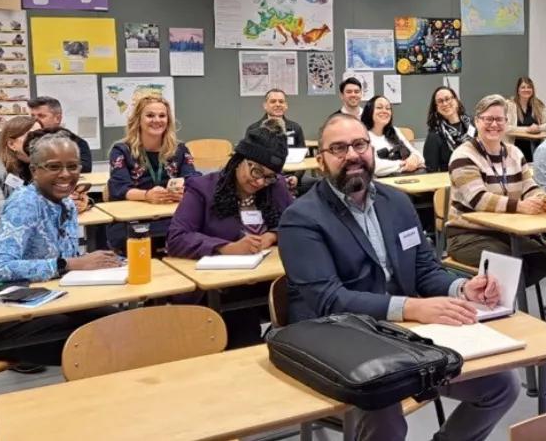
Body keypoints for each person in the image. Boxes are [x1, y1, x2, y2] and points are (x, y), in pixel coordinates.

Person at [279, 113, 519, 441]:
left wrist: (461, 288)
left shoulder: (397, 202)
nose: (351, 155)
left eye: (359, 144)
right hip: (340, 340)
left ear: (371, 149)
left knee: (501, 385)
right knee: (384, 406)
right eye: (338, 148)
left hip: (405, 335)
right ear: (321, 160)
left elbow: (423, 269)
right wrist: (413, 308)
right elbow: (328, 301)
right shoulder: (301, 219)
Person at [0, 132, 123, 365]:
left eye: (73, 166)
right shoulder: (24, 203)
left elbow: (65, 260)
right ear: (34, 171)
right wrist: (68, 264)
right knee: (98, 340)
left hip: (48, 301)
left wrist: (96, 263)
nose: (65, 174)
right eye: (53, 167)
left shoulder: (67, 204)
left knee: (122, 324)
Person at [168, 121, 293, 347]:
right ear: (238, 160)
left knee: (301, 307)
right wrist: (225, 248)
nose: (259, 181)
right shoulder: (202, 188)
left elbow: (295, 224)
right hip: (222, 288)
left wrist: (272, 235)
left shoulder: (276, 186)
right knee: (243, 325)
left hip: (265, 281)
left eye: (268, 177)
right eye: (255, 171)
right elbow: (177, 238)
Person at [446, 94, 546, 288]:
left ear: (506, 122)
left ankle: (504, 295)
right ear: (477, 121)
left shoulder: (514, 153)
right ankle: (499, 301)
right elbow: (478, 199)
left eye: (499, 119)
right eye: (488, 119)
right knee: (510, 265)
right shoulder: (463, 155)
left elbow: (528, 186)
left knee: (542, 259)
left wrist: (540, 198)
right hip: (467, 235)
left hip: (505, 231)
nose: (494, 124)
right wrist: (520, 206)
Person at [107, 96, 199, 251]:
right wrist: (147, 195)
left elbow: (193, 179)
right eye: (150, 115)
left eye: (162, 116)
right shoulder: (122, 150)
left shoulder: (180, 150)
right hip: (134, 220)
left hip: (172, 218)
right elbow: (119, 188)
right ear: (138, 120)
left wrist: (184, 191)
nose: (157, 120)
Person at [361, 95, 424, 176]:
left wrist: (414, 158)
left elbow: (418, 155)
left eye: (388, 108)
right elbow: (373, 165)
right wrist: (403, 165)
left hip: (406, 180)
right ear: (369, 111)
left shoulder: (395, 131)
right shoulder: (363, 135)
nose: (384, 111)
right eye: (379, 107)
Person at [28, 96, 92, 172]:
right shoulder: (27, 141)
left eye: (41, 116)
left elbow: (85, 168)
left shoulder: (75, 142)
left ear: (57, 119)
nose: (35, 120)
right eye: (32, 116)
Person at [423, 86, 475, 172]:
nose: (445, 104)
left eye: (448, 99)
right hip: (451, 181)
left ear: (456, 100)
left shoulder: (474, 125)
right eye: (440, 101)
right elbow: (431, 171)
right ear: (436, 107)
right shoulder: (434, 135)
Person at [507, 77, 546, 162]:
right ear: (518, 90)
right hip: (515, 147)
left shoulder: (538, 104)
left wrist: (538, 128)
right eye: (523, 87)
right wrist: (527, 129)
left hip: (536, 147)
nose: (526, 89)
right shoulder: (510, 105)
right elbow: (507, 127)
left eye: (529, 87)